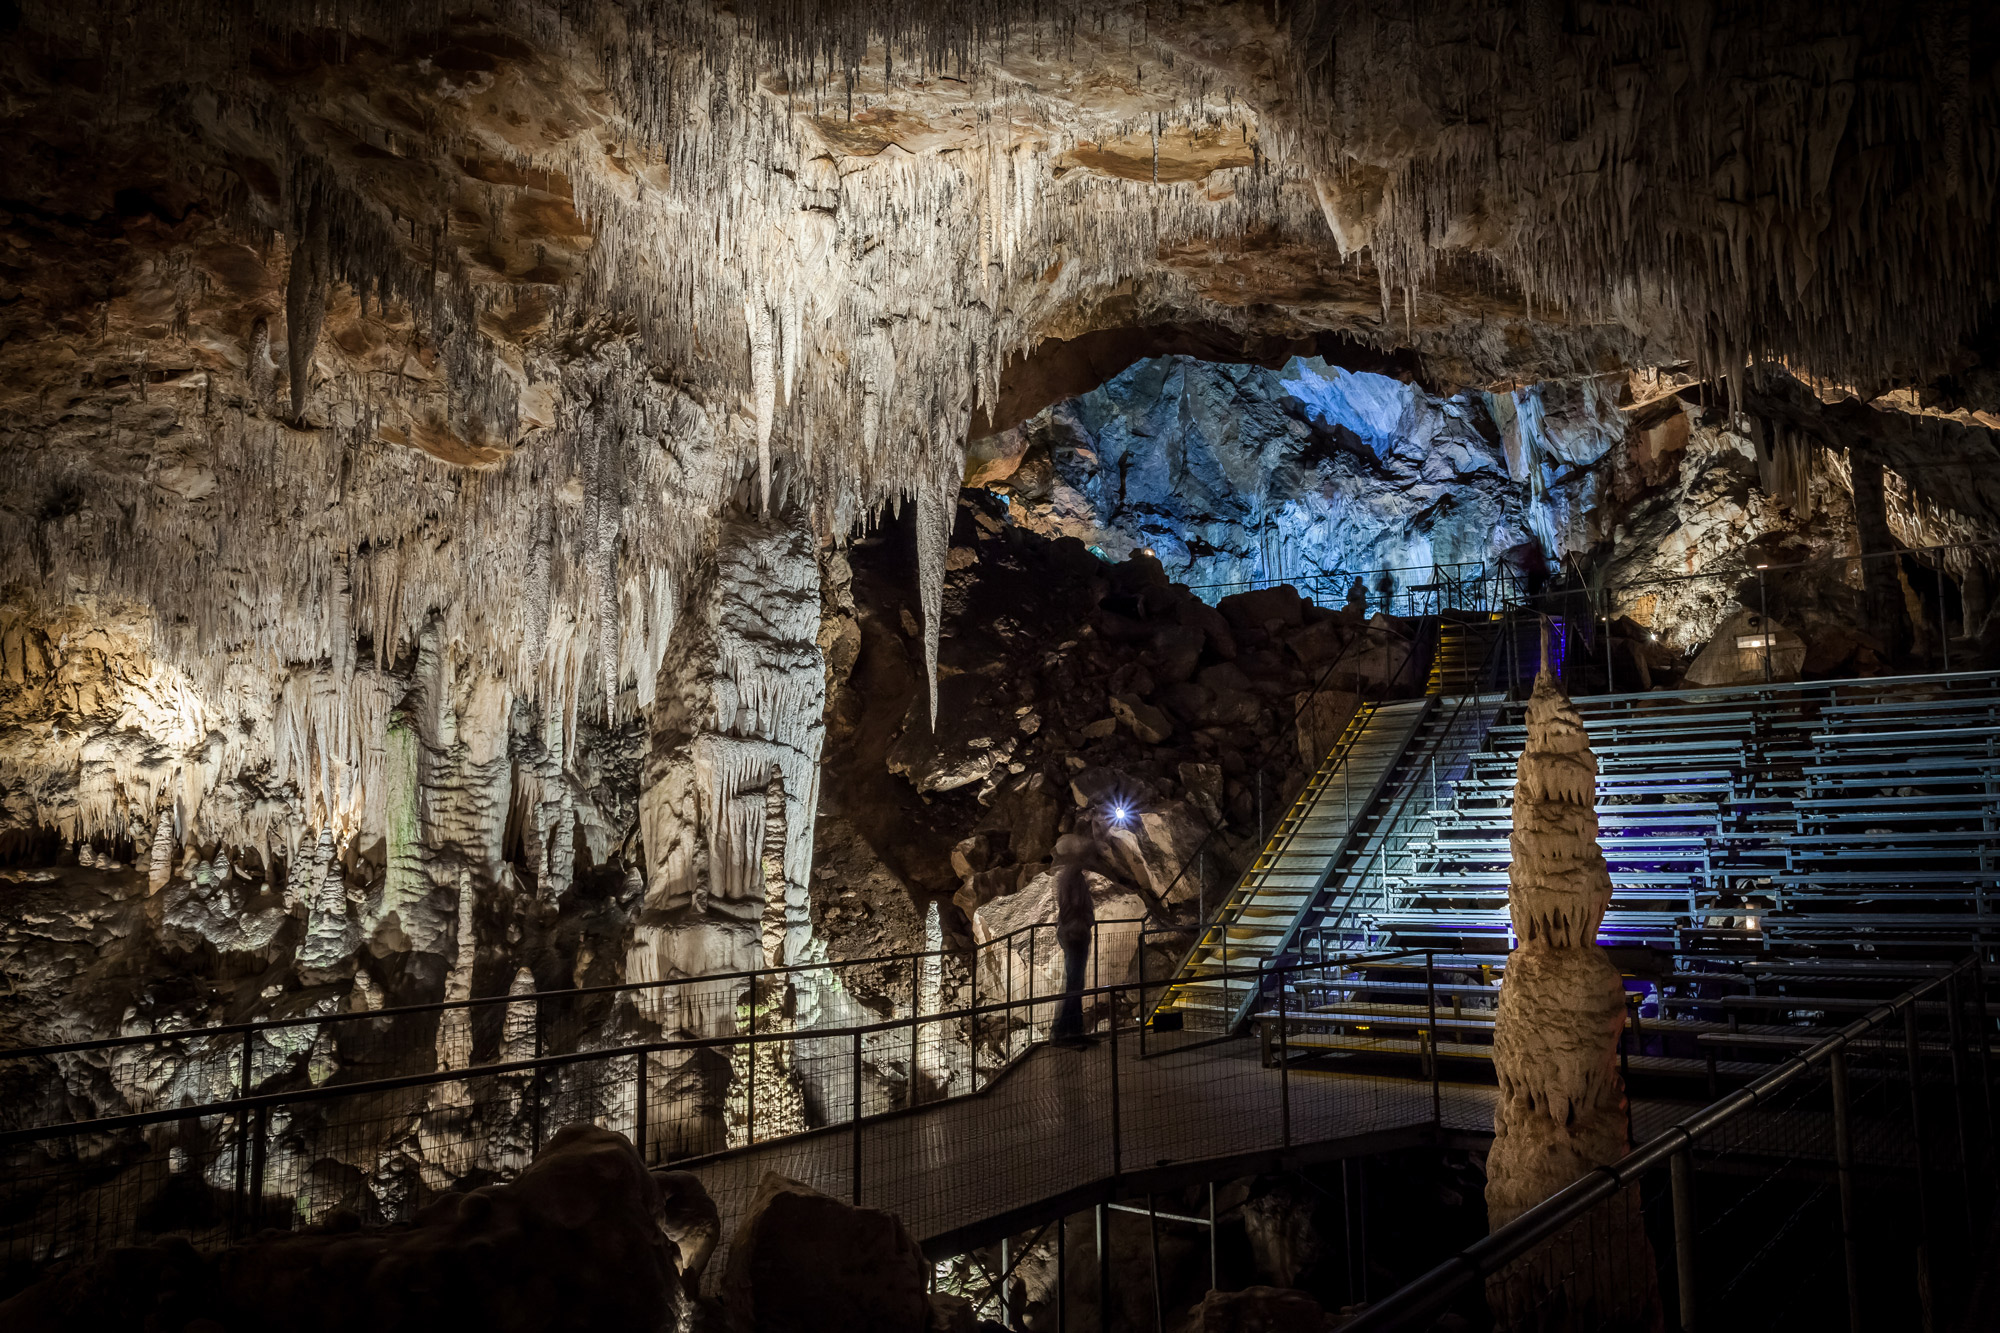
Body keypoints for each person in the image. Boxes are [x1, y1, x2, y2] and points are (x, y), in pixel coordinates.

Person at [1049, 810, 1126, 1046]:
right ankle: (1064, 1033)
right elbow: (1072, 907)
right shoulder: (1071, 876)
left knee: (1075, 983)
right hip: (1075, 933)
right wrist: (1081, 925)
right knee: (1073, 984)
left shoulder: (1070, 876)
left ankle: (1072, 1031)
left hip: (1075, 932)